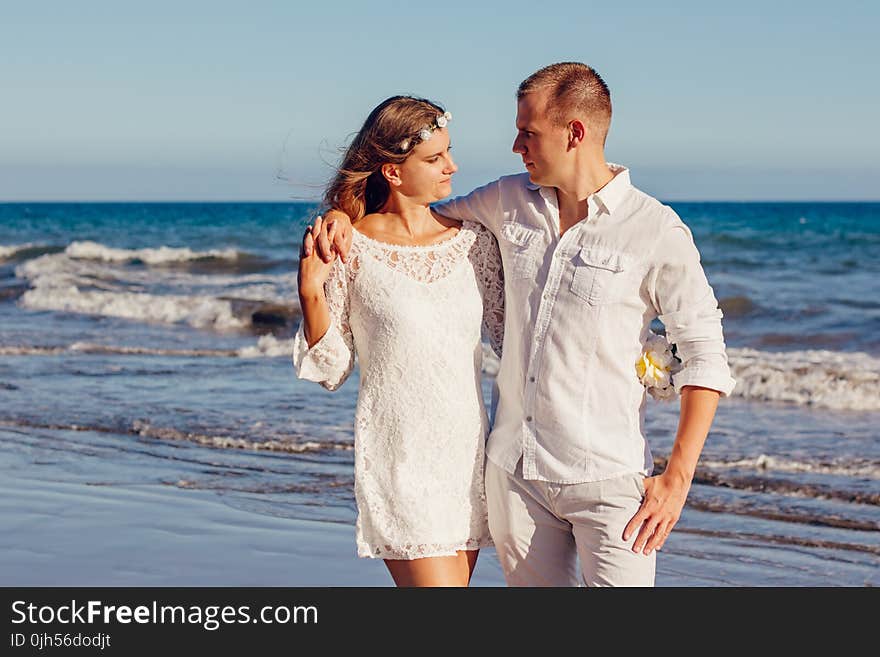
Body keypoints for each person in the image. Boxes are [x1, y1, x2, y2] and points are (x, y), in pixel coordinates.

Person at [309, 63, 735, 587]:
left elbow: (706, 353)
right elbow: (414, 222)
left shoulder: (654, 229)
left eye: (528, 132)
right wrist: (341, 219)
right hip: (514, 479)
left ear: (574, 133)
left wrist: (677, 479)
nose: (515, 145)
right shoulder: (505, 202)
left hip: (609, 479)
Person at [293, 95, 504, 587]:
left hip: (468, 457)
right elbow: (330, 369)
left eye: (449, 152)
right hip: (399, 459)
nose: (452, 166)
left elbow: (516, 339)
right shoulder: (350, 247)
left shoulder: (475, 243)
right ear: (392, 171)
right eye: (434, 159)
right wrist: (309, 292)